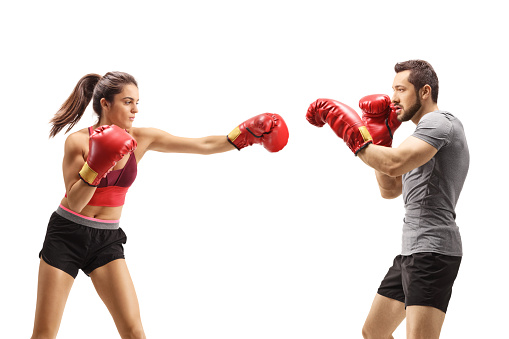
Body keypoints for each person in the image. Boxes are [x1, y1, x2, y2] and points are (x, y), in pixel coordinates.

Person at [32, 71, 289, 339]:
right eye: (128, 102)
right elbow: (74, 201)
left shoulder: (143, 139)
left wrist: (241, 137)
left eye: (137, 102)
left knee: (134, 332)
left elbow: (200, 144)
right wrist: (97, 165)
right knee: (45, 334)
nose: (135, 110)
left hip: (106, 239)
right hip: (67, 235)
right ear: (105, 104)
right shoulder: (77, 141)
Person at [306, 60, 469, 339]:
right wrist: (381, 142)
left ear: (425, 92)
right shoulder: (419, 137)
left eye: (401, 89)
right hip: (412, 250)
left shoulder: (439, 124)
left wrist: (354, 135)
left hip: (433, 250)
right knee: (375, 331)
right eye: (392, 89)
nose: (393, 98)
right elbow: (390, 189)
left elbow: (393, 164)